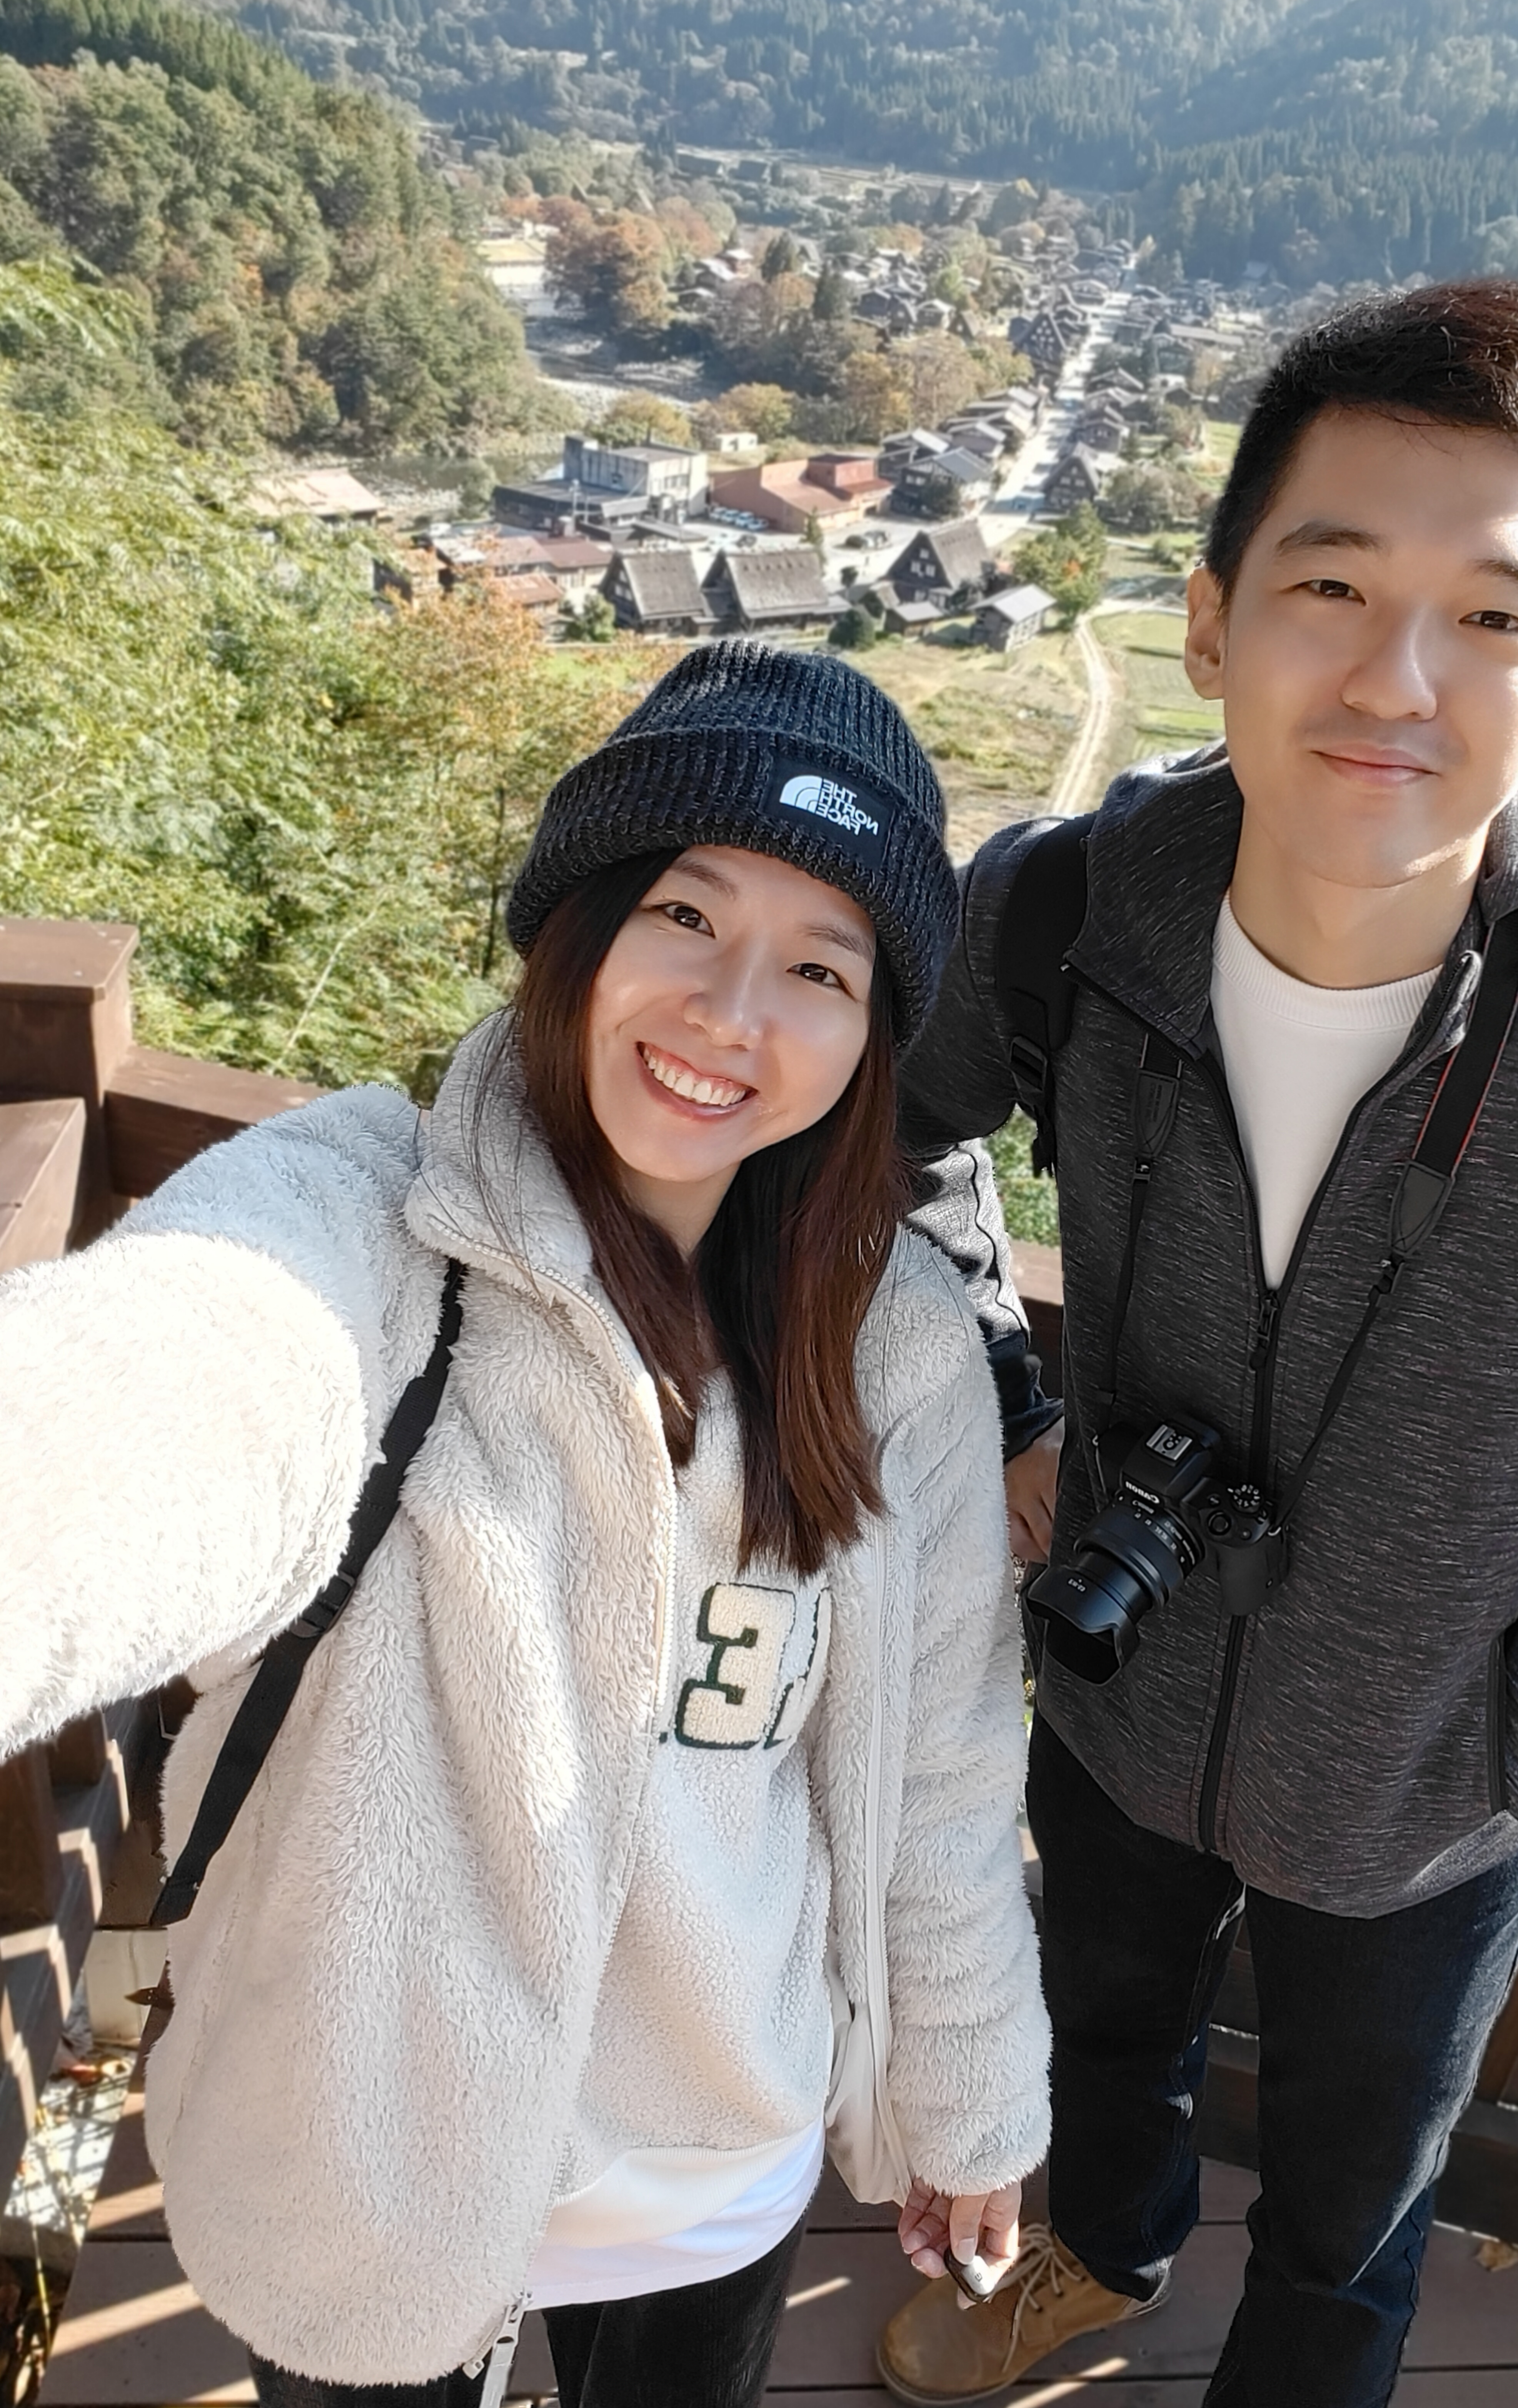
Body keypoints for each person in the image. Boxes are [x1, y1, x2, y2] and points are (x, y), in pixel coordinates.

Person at [877, 280, 1518, 2408]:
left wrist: (1506, 1721)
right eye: (1330, 582)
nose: (1395, 678)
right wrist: (1008, 1407)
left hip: (1432, 1807)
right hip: (1117, 1687)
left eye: (1495, 620)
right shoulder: (1067, 915)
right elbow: (885, 1148)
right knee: (1104, 2032)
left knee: (1360, 2187)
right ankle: (1101, 2262)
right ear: (1211, 619)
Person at [0, 641, 1049, 2408]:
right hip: (370, 2167)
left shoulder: (901, 1358)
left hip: (719, 2164)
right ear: (577, 928)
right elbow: (163, 1391)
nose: (732, 1012)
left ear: (874, 1036)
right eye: (686, 918)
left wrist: (970, 2109)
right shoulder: (364, 1223)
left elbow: (937, 1778)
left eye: (819, 967)